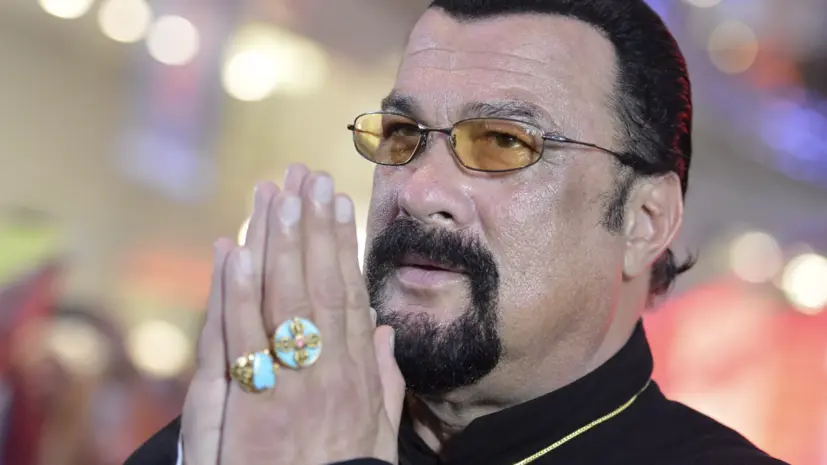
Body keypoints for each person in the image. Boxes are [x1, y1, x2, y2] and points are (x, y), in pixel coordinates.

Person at [125, 0, 789, 464]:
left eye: (503, 141)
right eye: (403, 133)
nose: (418, 190)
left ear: (645, 221)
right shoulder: (266, 413)